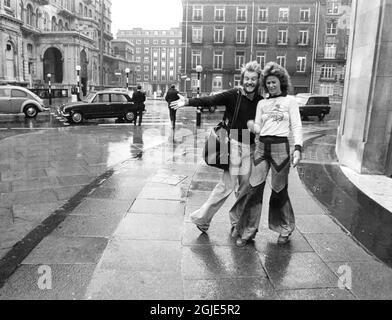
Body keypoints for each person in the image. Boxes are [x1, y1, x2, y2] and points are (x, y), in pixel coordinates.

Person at [170, 61, 263, 235]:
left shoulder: (260, 101)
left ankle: (236, 223)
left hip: (250, 146)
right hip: (234, 142)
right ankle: (203, 218)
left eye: (254, 79)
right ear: (243, 79)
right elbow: (211, 100)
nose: (250, 82)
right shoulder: (234, 94)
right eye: (247, 78)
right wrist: (188, 101)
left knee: (244, 189)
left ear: (258, 81)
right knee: (226, 186)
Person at [234, 61, 303, 247]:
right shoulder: (262, 103)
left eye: (274, 82)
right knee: (253, 189)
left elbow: (296, 126)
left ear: (281, 82)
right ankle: (248, 231)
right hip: (261, 147)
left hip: (281, 148)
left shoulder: (290, 102)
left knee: (279, 191)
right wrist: (252, 126)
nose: (271, 85)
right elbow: (258, 127)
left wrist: (298, 148)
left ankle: (285, 228)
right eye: (268, 83)